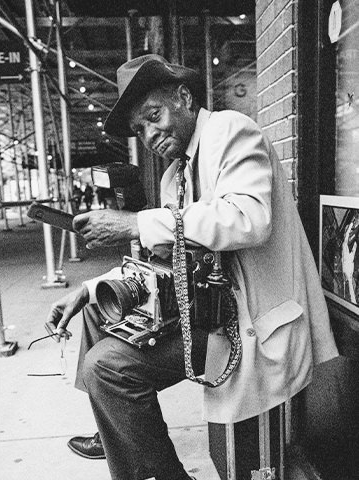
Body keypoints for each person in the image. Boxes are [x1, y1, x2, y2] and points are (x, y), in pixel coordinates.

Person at [46, 54, 338, 480]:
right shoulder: (173, 177)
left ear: (184, 97)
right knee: (96, 320)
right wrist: (92, 288)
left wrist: (137, 223)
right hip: (211, 319)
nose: (149, 134)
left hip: (252, 326)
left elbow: (249, 219)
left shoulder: (231, 131)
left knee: (105, 366)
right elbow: (163, 259)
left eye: (153, 116)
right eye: (140, 129)